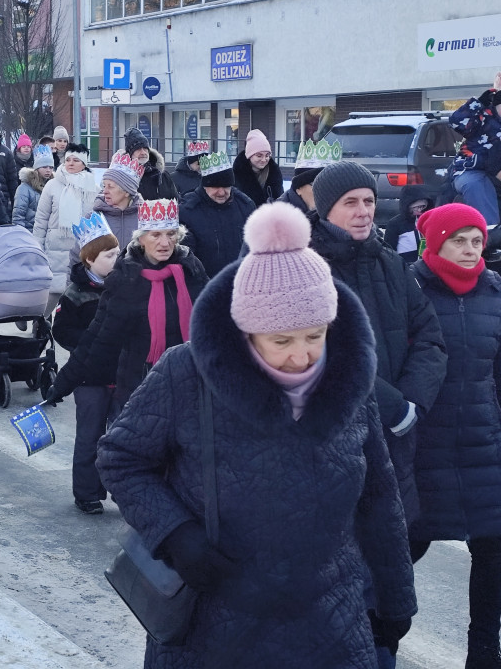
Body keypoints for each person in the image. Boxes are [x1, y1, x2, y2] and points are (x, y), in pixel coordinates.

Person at [97, 201, 417, 669]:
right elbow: (121, 458)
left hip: (330, 622)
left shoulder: (348, 380)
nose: (301, 356)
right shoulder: (188, 373)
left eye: (314, 335)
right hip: (216, 623)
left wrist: (396, 600)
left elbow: (379, 498)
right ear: (246, 331)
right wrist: (177, 535)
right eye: (281, 341)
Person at [309, 160, 447, 662]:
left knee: (396, 555)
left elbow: (430, 336)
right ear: (326, 210)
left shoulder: (390, 262)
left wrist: (413, 400)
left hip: (396, 439)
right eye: (351, 202)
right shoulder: (307, 268)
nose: (364, 211)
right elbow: (320, 352)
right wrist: (390, 404)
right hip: (336, 441)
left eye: (368, 200)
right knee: (345, 572)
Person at [407, 204, 501, 668]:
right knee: (404, 546)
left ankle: (484, 648)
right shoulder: (410, 288)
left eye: (476, 241)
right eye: (458, 240)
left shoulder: (495, 291)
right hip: (425, 444)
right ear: (435, 242)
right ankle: (377, 633)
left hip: (485, 442)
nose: (469, 251)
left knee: (493, 548)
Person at [48, 197, 208, 411]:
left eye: (171, 234)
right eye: (156, 235)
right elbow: (98, 339)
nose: (165, 242)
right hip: (140, 388)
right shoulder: (126, 278)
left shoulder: (191, 270)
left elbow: (214, 323)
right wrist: (62, 385)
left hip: (189, 385)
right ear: (141, 239)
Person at [48, 213, 122, 514]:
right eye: (109, 255)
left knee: (122, 435)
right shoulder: (75, 293)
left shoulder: (124, 288)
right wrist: (89, 342)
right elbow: (61, 330)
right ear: (90, 259)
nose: (116, 260)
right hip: (89, 376)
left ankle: (124, 490)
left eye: (118, 253)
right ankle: (87, 492)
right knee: (90, 434)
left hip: (121, 372)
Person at [34, 144, 98, 314]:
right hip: (54, 247)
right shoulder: (52, 185)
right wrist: (37, 245)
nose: (70, 163)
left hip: (79, 248)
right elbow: (41, 219)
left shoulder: (93, 188)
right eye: (68, 159)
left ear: (84, 164)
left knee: (72, 292)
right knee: (51, 292)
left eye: (76, 160)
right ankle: (40, 321)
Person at [180, 151, 256, 277]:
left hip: (241, 284)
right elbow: (187, 260)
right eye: (215, 187)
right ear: (204, 185)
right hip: (205, 287)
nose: (221, 192)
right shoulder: (187, 212)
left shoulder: (245, 205)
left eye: (226, 186)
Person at [448, 78, 501, 224]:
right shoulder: (483, 115)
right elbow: (456, 122)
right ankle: (489, 233)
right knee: (476, 185)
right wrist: (479, 102)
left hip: (496, 173)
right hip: (472, 171)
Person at [96, 151, 145, 247]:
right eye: (104, 186)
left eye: (110, 186)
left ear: (127, 192)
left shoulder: (146, 218)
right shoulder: (95, 218)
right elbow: (79, 256)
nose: (104, 191)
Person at [232, 129, 283, 209]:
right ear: (249, 155)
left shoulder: (274, 173)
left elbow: (280, 200)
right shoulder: (237, 173)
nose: (264, 159)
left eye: (267, 155)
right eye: (259, 156)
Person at [383, 185, 432, 264]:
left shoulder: (424, 221)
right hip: (403, 264)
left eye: (423, 206)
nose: (420, 209)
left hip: (422, 263)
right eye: (416, 207)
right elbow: (389, 250)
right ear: (408, 206)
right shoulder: (395, 224)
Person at [125, 128, 178, 201]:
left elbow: (176, 201)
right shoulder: (124, 179)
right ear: (130, 154)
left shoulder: (163, 175)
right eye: (138, 149)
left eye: (145, 148)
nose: (143, 152)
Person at [12, 145, 54, 231]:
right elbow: (18, 215)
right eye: (44, 167)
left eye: (51, 167)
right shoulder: (24, 188)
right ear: (37, 168)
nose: (48, 170)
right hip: (30, 233)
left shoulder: (53, 186)